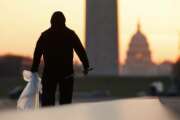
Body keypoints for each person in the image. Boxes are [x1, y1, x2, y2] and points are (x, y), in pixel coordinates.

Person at [31, 11, 89, 106]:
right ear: (64, 21)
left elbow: (37, 54)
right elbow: (80, 51)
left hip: (49, 72)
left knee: (48, 103)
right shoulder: (70, 34)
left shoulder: (45, 35)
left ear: (51, 21)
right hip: (67, 72)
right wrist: (86, 66)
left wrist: (34, 70)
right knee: (65, 102)